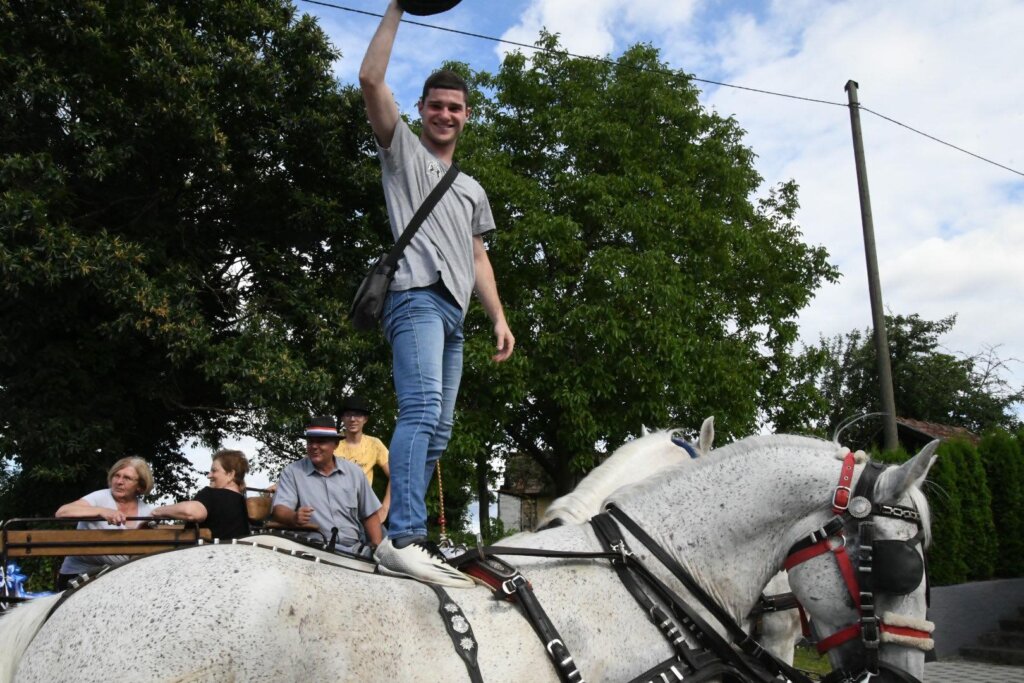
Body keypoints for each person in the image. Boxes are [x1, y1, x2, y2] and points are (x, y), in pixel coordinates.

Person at [360, 0, 515, 587]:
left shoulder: (472, 188)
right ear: (420, 111)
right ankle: (405, 534)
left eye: (455, 108)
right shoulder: (403, 154)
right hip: (414, 298)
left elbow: (479, 257)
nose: (445, 114)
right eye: (436, 106)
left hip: (453, 314)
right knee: (421, 410)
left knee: (441, 430)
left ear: (466, 116)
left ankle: (395, 530)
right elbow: (371, 78)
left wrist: (498, 317)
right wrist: (400, 6)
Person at [271, 416, 384, 557]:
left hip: (353, 551)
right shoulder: (292, 472)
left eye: (321, 442)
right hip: (312, 548)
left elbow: (369, 515)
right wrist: (294, 517)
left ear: (335, 444)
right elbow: (279, 509)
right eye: (310, 441)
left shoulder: (354, 472)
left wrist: (377, 550)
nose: (314, 446)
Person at [55, 457, 155, 589]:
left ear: (140, 487)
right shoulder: (99, 497)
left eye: (127, 478)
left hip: (121, 578)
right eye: (116, 476)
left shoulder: (146, 512)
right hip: (78, 576)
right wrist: (100, 511)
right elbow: (62, 513)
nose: (119, 481)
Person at [151, 449, 251, 541]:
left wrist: (157, 511)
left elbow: (192, 512)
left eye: (214, 470)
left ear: (230, 474)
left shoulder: (211, 494)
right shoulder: (247, 506)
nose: (209, 475)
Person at [334, 396, 391, 523]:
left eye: (358, 415)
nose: (353, 419)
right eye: (348, 415)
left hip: (364, 509)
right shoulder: (332, 443)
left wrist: (385, 508)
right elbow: (305, 467)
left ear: (365, 419)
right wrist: (279, 485)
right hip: (334, 507)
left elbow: (395, 476)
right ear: (342, 418)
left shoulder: (374, 444)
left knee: (382, 541)